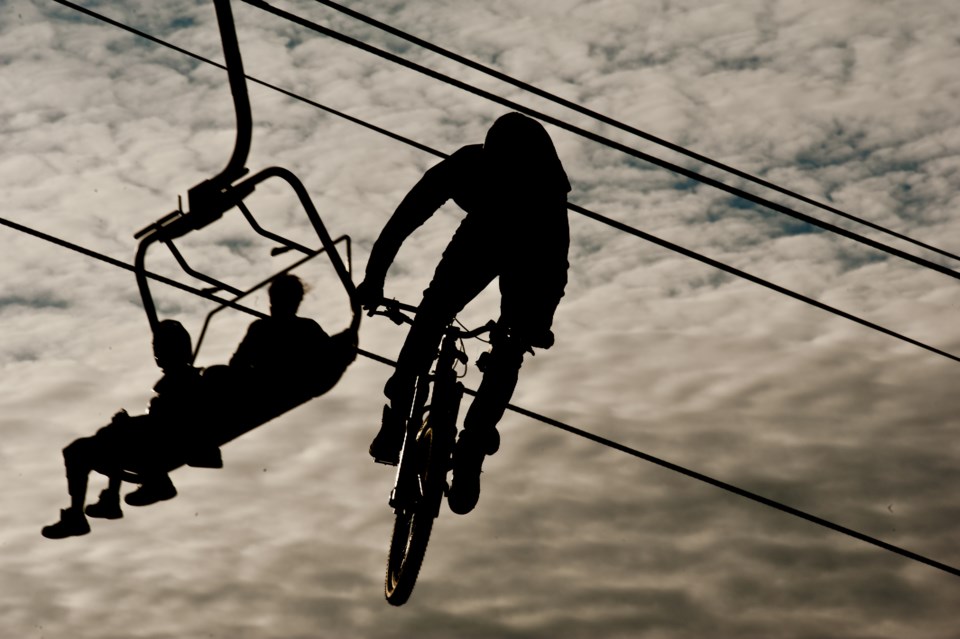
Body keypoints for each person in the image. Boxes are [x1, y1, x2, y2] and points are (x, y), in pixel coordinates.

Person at [356, 112, 571, 514]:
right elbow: (404, 220)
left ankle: (468, 446)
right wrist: (373, 278)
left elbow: (554, 268)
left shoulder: (546, 199)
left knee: (496, 336)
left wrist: (540, 321)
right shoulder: (466, 167)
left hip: (530, 242)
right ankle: (403, 417)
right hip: (487, 232)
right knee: (438, 312)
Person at [42, 320, 211, 539]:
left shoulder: (184, 383)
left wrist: (127, 424)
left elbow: (170, 424)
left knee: (80, 450)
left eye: (159, 349)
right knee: (106, 437)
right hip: (157, 442)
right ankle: (110, 500)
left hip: (161, 445)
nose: (157, 355)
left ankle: (89, 510)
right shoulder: (181, 382)